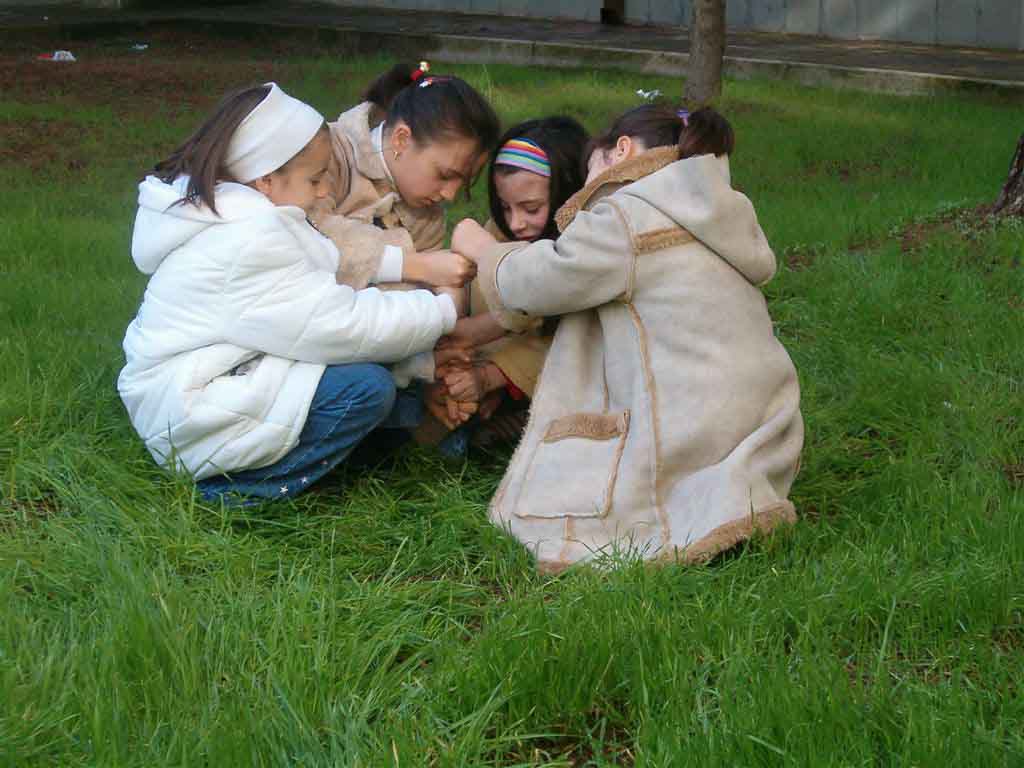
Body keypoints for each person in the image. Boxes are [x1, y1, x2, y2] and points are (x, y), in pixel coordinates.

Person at [451, 105, 804, 570]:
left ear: (619, 151)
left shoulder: (627, 213)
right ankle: (728, 497)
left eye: (589, 170)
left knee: (605, 508)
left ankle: (692, 511)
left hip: (691, 419)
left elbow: (542, 282)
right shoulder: (718, 207)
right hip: (762, 414)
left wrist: (484, 249)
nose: (582, 187)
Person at [118, 82, 459, 502]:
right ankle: (233, 494)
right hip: (189, 407)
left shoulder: (240, 219)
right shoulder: (251, 240)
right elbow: (339, 326)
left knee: (383, 382)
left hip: (201, 384)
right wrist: (443, 310)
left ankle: (359, 454)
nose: (323, 192)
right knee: (365, 389)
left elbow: (322, 293)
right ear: (265, 179)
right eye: (315, 178)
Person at [427, 117, 589, 448]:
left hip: (542, 369)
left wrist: (486, 374)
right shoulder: (499, 232)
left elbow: (540, 308)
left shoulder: (586, 246)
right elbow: (479, 296)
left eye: (532, 208)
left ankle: (508, 408)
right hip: (484, 357)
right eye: (505, 207)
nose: (516, 222)